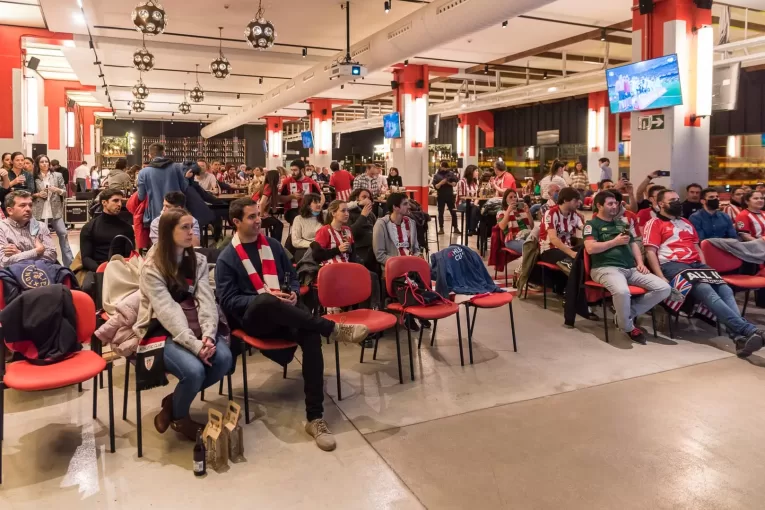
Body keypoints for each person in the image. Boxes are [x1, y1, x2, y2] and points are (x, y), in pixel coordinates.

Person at [215, 198, 368, 451]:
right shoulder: (227, 258)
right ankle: (331, 328)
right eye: (251, 217)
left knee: (310, 336)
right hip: (253, 320)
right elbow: (229, 301)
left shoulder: (273, 246)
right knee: (265, 300)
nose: (258, 221)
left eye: (258, 215)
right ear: (236, 222)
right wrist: (264, 298)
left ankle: (315, 418)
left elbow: (293, 276)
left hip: (285, 313)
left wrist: (294, 292)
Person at [134, 208, 232, 440]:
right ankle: (180, 417)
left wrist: (208, 335)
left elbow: (207, 300)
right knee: (194, 370)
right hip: (160, 329)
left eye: (192, 226)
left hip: (195, 324)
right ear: (169, 232)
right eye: (185, 227)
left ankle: (173, 402)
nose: (192, 232)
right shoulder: (152, 267)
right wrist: (195, 346)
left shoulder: (197, 260)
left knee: (225, 359)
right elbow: (168, 312)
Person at [644, 190, 765, 358]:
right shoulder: (654, 223)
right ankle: (747, 329)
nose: (677, 202)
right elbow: (651, 251)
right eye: (672, 200)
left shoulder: (686, 222)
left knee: (725, 290)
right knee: (706, 289)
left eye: (678, 199)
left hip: (696, 263)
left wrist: (706, 267)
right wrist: (660, 276)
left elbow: (696, 247)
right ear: (661, 204)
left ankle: (739, 338)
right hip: (673, 264)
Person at [584, 191, 670, 344]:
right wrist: (614, 242)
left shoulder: (621, 224)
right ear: (599, 205)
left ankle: (625, 314)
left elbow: (633, 244)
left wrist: (640, 263)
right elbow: (590, 248)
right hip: (605, 268)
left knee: (664, 288)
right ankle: (627, 326)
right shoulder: (591, 225)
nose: (614, 206)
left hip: (631, 269)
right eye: (610, 204)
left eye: (616, 203)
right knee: (622, 292)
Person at [32, 155, 73, 267]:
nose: (45, 164)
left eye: (46, 161)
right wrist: (38, 194)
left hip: (55, 210)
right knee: (38, 236)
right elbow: (30, 194)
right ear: (38, 164)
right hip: (39, 210)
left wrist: (57, 190)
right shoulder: (34, 177)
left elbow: (65, 192)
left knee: (63, 234)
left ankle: (69, 264)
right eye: (42, 162)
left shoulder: (57, 175)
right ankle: (41, 263)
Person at [79, 189, 134, 272]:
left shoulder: (127, 228)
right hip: (97, 270)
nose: (119, 204)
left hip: (121, 270)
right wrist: (100, 270)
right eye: (115, 201)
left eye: (121, 201)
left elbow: (129, 257)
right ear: (104, 202)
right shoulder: (89, 228)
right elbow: (86, 258)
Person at [0, 190, 57, 268]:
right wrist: (38, 251)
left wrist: (20, 254)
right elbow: (3, 262)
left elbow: (52, 256)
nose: (28, 209)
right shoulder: (2, 228)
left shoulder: (40, 226)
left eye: (30, 205)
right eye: (22, 205)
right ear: (10, 210)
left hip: (41, 275)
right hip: (12, 278)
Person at [137, 143, 189, 227]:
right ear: (164, 153)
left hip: (155, 214)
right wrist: (187, 178)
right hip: (177, 212)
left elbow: (141, 197)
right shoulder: (177, 167)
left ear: (149, 155)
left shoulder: (143, 172)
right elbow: (184, 187)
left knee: (159, 239)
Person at [539, 187, 584, 270]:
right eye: (575, 201)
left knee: (587, 250)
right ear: (565, 200)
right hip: (550, 250)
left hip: (567, 247)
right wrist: (571, 253)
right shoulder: (551, 213)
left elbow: (585, 229)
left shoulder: (574, 214)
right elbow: (553, 239)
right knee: (577, 263)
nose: (578, 203)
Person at [373, 192, 421, 265]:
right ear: (395, 207)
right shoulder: (381, 224)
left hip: (411, 265)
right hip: (393, 267)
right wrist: (400, 263)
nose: (409, 207)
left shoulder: (411, 223)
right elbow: (380, 255)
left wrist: (417, 258)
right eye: (405, 204)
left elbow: (416, 249)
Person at [281, 159, 324, 225]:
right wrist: (291, 196)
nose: (292, 173)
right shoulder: (286, 182)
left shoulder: (311, 182)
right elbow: (280, 198)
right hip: (291, 210)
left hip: (308, 209)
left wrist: (318, 207)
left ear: (302, 170)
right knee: (300, 219)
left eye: (295, 170)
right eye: (291, 170)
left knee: (319, 218)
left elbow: (322, 197)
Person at [347, 188, 377, 270]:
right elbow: (351, 233)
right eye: (364, 197)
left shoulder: (371, 214)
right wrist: (363, 216)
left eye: (369, 198)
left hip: (373, 248)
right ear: (357, 198)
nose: (367, 200)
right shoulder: (349, 213)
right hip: (359, 249)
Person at [497, 188, 533, 254]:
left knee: (539, 244)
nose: (513, 199)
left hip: (526, 235)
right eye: (510, 197)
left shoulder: (521, 210)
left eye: (515, 197)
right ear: (505, 200)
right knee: (528, 247)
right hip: (512, 238)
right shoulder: (502, 212)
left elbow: (532, 226)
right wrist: (508, 212)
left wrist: (528, 213)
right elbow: (502, 227)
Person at [252, 169, 284, 243]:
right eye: (279, 177)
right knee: (279, 225)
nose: (280, 179)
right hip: (256, 213)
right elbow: (262, 203)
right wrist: (261, 215)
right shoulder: (269, 187)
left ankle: (273, 242)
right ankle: (276, 244)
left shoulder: (265, 186)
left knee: (276, 223)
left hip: (253, 211)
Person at [291, 193, 323, 261]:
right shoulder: (299, 219)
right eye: (315, 202)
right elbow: (296, 241)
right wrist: (313, 245)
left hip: (323, 248)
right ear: (308, 205)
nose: (319, 204)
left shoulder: (325, 216)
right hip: (306, 248)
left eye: (319, 202)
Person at [431, 161, 461, 235]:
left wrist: (449, 183)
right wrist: (442, 182)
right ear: (441, 167)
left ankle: (456, 227)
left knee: (453, 212)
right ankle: (441, 228)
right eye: (443, 167)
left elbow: (454, 184)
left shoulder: (451, 174)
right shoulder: (436, 176)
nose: (444, 169)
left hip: (450, 195)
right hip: (441, 195)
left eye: (445, 167)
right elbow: (436, 186)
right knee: (440, 212)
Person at [457, 165, 480, 234]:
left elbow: (478, 195)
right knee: (473, 207)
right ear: (471, 172)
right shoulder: (462, 182)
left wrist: (475, 202)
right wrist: (473, 202)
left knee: (480, 208)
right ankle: (471, 229)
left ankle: (471, 228)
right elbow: (461, 197)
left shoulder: (476, 182)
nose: (477, 173)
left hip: (473, 204)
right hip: (462, 203)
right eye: (476, 171)